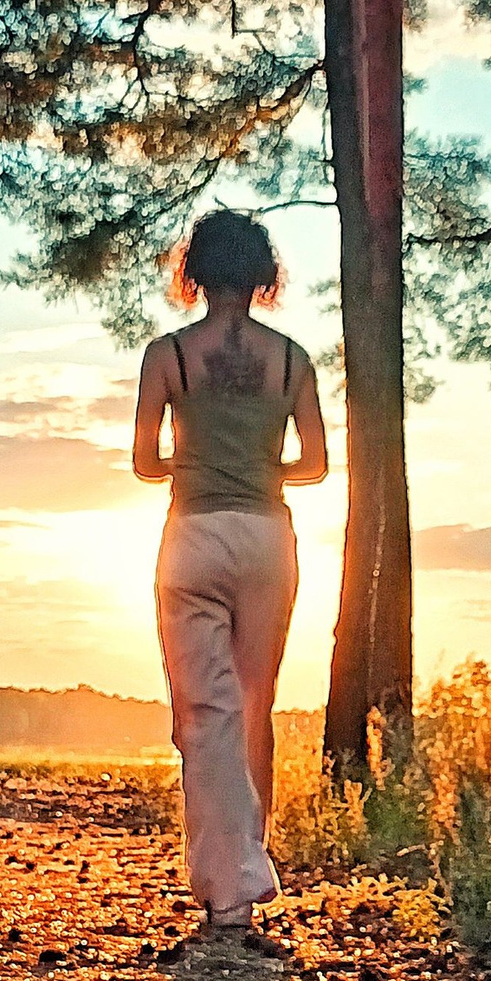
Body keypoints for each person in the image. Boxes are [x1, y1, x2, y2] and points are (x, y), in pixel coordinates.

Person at [133, 208, 329, 930]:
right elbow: (314, 465)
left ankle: (228, 889)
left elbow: (143, 463)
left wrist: (194, 459)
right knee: (254, 706)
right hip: (269, 538)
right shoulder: (291, 359)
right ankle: (246, 862)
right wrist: (258, 464)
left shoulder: (169, 356)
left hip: (193, 535)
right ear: (262, 274)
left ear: (196, 270)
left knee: (203, 714)